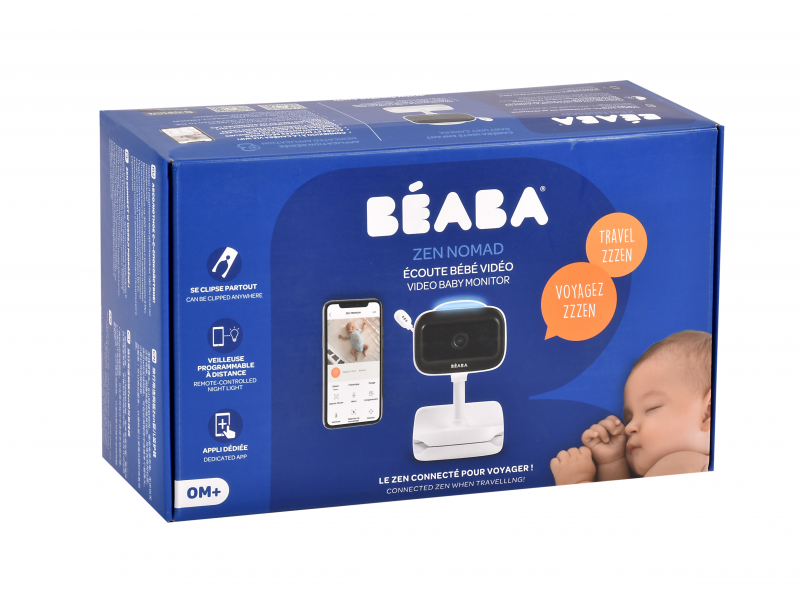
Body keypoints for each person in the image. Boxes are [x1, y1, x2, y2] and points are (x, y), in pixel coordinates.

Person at [551, 331, 712, 484]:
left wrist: (575, 482)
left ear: (708, 411)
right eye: (628, 419)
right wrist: (612, 462)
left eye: (652, 408)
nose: (629, 428)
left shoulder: (681, 464)